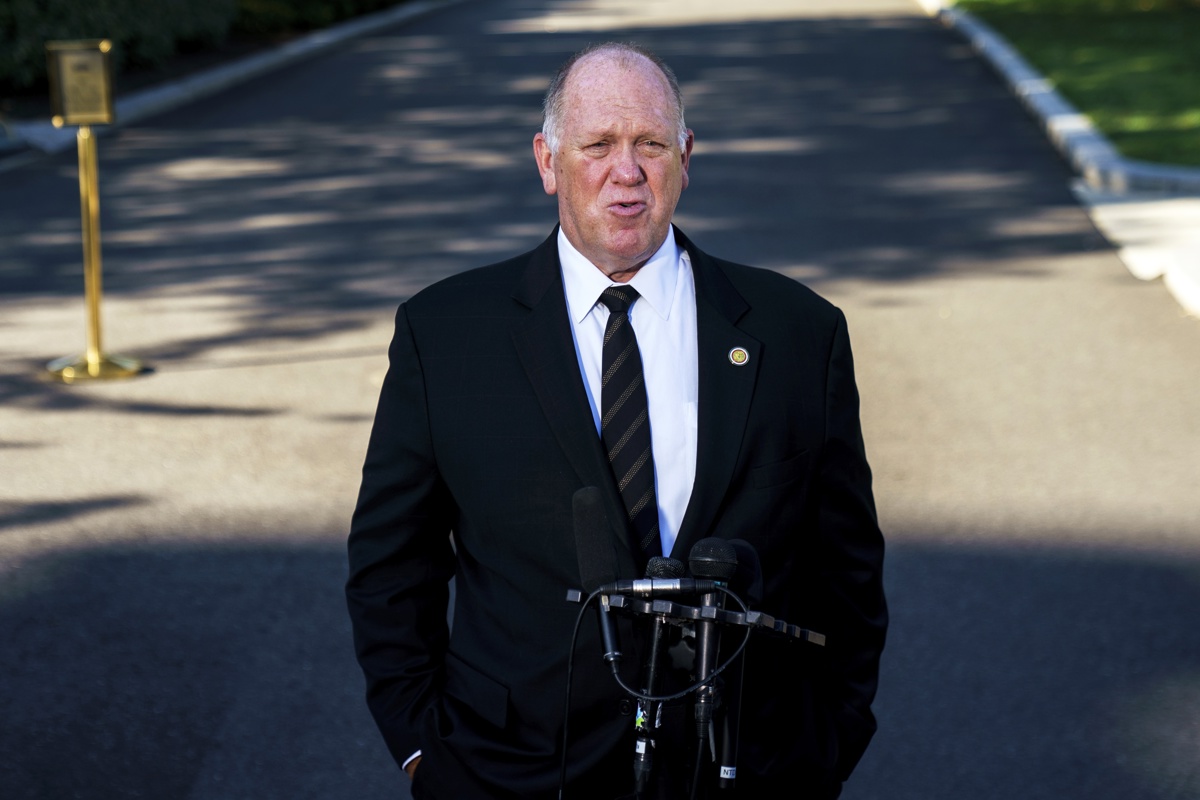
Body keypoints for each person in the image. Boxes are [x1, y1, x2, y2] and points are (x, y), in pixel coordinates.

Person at [346, 42, 887, 800]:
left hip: (744, 770)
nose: (626, 172)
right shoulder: (444, 336)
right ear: (548, 161)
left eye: (650, 145)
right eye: (598, 145)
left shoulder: (799, 332)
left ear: (685, 158)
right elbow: (392, 565)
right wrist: (421, 751)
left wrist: (826, 747)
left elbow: (847, 570)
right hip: (509, 772)